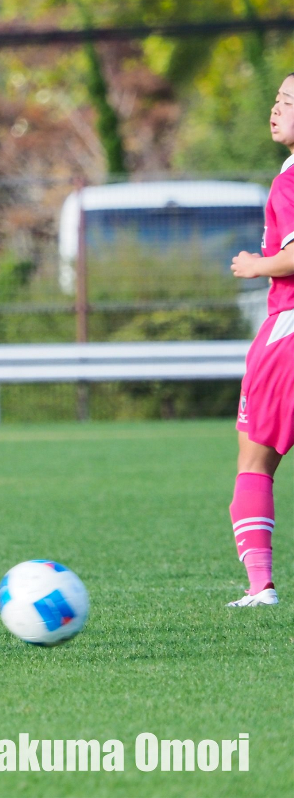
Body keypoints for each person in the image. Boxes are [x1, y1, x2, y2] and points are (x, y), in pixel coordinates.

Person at [226, 73, 294, 608]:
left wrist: (256, 265)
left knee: (254, 462)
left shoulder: (290, 183)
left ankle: (260, 586)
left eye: (287, 102)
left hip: (288, 330)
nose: (275, 109)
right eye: (275, 99)